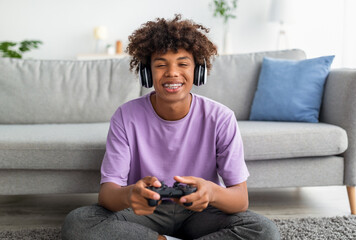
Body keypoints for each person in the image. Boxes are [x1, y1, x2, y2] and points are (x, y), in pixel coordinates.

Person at [61, 14, 280, 240]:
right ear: (147, 73)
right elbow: (107, 195)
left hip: (201, 213)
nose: (172, 72)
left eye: (183, 63)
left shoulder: (221, 117)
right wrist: (130, 195)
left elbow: (240, 199)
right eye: (160, 64)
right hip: (144, 213)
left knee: (264, 230)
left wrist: (212, 192)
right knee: (78, 223)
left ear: (198, 70)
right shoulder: (126, 116)